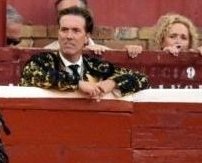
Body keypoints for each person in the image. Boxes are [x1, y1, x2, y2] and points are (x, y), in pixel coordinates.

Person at [19, 6, 148, 97]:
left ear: (87, 37)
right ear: (58, 34)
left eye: (76, 31)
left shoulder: (94, 66)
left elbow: (142, 79)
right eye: (64, 30)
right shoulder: (43, 61)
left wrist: (111, 83)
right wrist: (78, 84)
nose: (68, 36)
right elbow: (32, 73)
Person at [136, 13, 202, 58]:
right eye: (172, 36)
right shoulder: (152, 61)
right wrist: (165, 57)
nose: (178, 42)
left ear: (190, 43)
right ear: (161, 41)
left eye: (184, 38)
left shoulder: (194, 60)